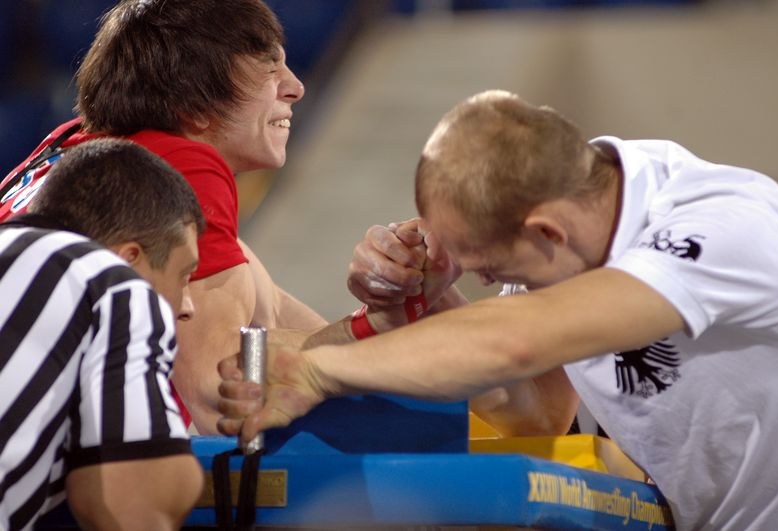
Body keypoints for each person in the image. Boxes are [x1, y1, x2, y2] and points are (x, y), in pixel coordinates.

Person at [217, 90, 778, 529]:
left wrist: (319, 369)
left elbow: (514, 341)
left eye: (490, 268)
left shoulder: (723, 226)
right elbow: (536, 415)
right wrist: (426, 301)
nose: (486, 280)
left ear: (546, 231)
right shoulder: (567, 232)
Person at [0, 0, 455, 433]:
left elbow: (299, 333)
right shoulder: (177, 163)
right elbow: (221, 396)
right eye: (270, 67)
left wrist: (405, 306)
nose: (295, 86)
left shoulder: (70, 152)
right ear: (195, 104)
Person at [0, 139, 204, 530]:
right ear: (129, 259)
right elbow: (135, 506)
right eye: (184, 276)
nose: (187, 306)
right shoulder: (111, 282)